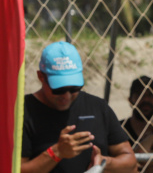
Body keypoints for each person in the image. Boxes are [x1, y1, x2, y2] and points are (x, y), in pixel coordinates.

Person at [21, 41, 137, 173]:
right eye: (59, 89)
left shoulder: (98, 107)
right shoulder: (23, 113)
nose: (67, 96)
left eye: (74, 88)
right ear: (41, 77)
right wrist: (56, 152)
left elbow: (130, 161)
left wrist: (103, 162)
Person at [122, 76, 153, 152]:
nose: (146, 99)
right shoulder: (118, 130)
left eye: (151, 95)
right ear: (130, 100)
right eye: (140, 95)